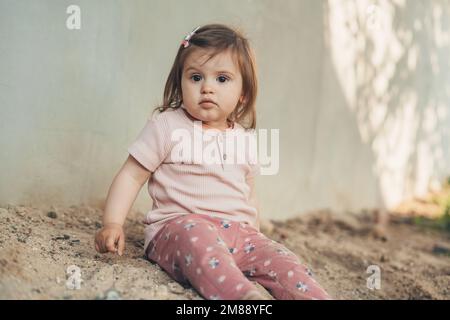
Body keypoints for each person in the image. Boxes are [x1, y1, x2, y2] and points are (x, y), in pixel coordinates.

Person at [95, 24, 331, 300]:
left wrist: (253, 236)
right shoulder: (167, 126)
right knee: (200, 238)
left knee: (283, 258)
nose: (207, 87)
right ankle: (242, 298)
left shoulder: (244, 139)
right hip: (178, 229)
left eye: (222, 79)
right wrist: (112, 223)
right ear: (180, 82)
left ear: (242, 93)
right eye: (195, 77)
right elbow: (131, 176)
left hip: (238, 234)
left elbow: (249, 193)